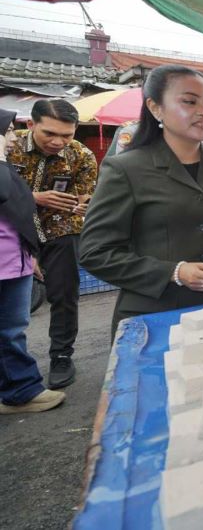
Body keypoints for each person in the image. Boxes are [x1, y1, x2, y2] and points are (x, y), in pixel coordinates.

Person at [79, 65, 203, 337]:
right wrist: (174, 272)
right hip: (158, 315)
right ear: (155, 108)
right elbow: (96, 252)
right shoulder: (126, 169)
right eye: (189, 101)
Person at [7, 99, 97, 389]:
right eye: (50, 134)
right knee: (12, 311)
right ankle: (13, 366)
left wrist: (84, 205)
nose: (59, 142)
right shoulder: (8, 146)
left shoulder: (81, 155)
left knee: (64, 294)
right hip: (12, 232)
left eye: (67, 135)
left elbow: (85, 197)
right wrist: (33, 198)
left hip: (60, 228)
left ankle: (61, 355)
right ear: (31, 124)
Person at [0, 109, 65, 414]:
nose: (12, 137)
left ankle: (17, 390)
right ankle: (20, 392)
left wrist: (29, 254)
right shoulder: (4, 164)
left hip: (15, 259)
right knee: (8, 331)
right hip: (5, 263)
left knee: (13, 328)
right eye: (7, 131)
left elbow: (18, 210)